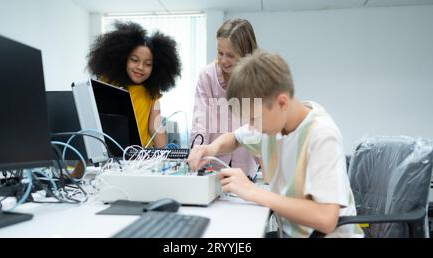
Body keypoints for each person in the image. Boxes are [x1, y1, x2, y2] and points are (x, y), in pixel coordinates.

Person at [188, 50, 363, 238]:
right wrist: (210, 148)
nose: (252, 127)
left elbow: (326, 218)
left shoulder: (321, 135)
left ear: (282, 102)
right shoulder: (274, 123)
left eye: (254, 118)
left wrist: (253, 192)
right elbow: (235, 138)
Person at [88, 21, 181, 148]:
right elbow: (91, 127)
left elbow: (156, 126)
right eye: (134, 60)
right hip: (112, 156)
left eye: (148, 64)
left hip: (142, 157)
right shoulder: (107, 84)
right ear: (123, 58)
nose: (140, 67)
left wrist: (165, 159)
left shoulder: (152, 92)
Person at [190, 18, 259, 178]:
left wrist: (265, 163)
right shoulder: (207, 76)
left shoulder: (256, 80)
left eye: (230, 55)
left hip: (245, 166)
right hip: (212, 165)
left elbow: (259, 129)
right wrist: (198, 152)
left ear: (246, 54)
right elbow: (200, 122)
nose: (223, 60)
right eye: (220, 53)